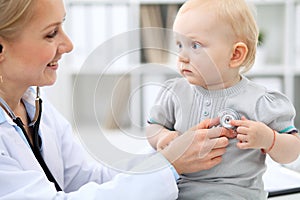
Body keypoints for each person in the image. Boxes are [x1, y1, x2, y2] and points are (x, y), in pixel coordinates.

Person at [0, 0, 231, 199]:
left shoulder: (34, 107)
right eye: (51, 34)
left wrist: (166, 155)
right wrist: (170, 164)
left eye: (63, 26)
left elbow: (90, 180)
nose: (69, 45)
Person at [146, 0, 300, 199]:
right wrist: (162, 137)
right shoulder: (175, 92)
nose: (182, 56)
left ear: (235, 54)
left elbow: (293, 150)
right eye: (179, 45)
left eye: (195, 45)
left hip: (234, 194)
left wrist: (269, 139)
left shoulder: (260, 101)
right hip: (176, 190)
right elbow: (153, 126)